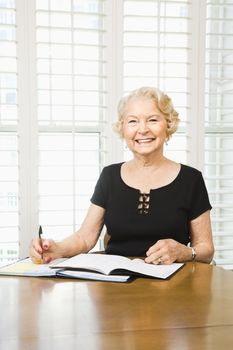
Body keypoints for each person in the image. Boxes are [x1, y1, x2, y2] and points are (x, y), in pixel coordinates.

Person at [30, 86, 214, 265]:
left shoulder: (191, 179)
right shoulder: (109, 176)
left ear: (168, 125)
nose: (142, 129)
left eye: (152, 120)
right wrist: (57, 248)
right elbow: (85, 238)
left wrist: (185, 252)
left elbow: (206, 250)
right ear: (123, 129)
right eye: (133, 121)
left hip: (173, 285)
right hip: (116, 283)